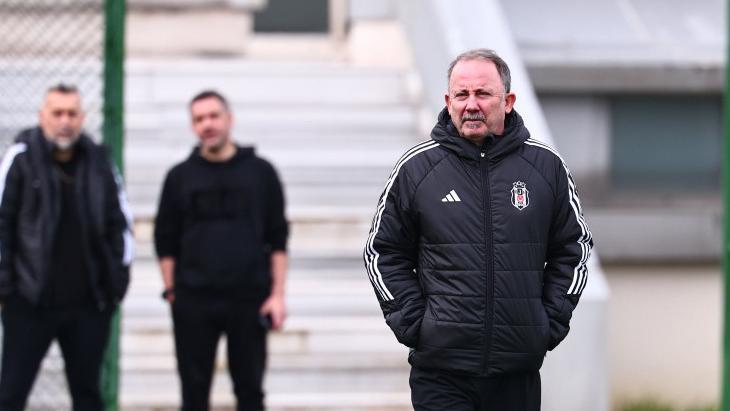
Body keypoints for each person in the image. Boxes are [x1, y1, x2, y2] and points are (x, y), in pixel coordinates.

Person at [363, 49, 593, 411]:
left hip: (516, 373)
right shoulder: (416, 169)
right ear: (448, 102)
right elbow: (382, 251)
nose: (471, 105)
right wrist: (414, 324)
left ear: (508, 101)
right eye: (462, 94)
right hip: (441, 373)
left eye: (483, 94)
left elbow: (574, 247)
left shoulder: (545, 167)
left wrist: (547, 322)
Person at [0, 84, 133, 411]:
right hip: (29, 302)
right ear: (42, 116)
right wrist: (7, 290)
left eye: (72, 113)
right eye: (57, 113)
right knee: (11, 393)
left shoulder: (99, 162)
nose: (64, 121)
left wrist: (115, 285)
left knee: (88, 395)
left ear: (82, 118)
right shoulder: (21, 159)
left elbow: (120, 224)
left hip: (88, 305)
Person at [154, 90, 288, 411]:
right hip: (193, 300)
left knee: (250, 391)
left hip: (249, 298)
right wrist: (173, 292)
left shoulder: (261, 172)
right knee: (193, 394)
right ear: (192, 126)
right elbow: (165, 240)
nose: (207, 124)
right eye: (199, 119)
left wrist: (278, 295)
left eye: (214, 116)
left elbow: (278, 239)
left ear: (230, 119)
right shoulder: (179, 177)